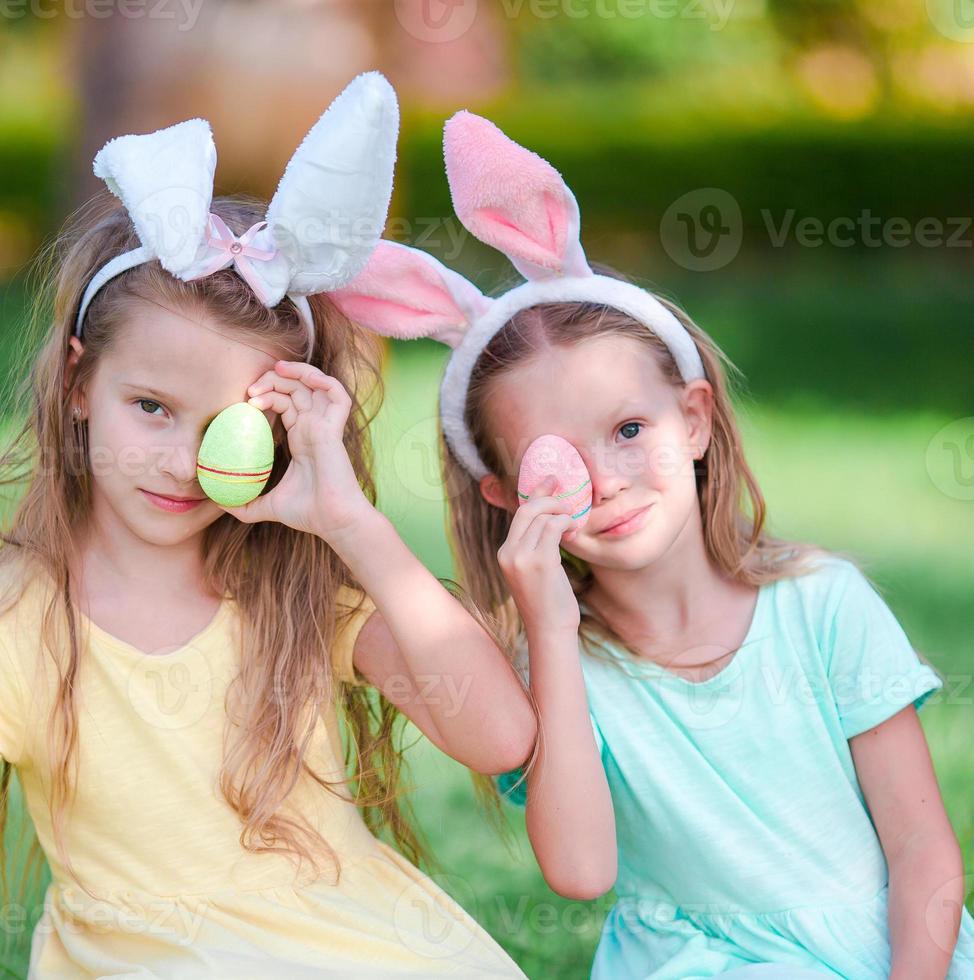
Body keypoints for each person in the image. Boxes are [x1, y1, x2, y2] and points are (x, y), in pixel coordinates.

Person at [0, 74, 535, 978]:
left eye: (230, 426)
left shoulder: (301, 589)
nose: (181, 460)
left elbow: (499, 737)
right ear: (79, 383)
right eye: (151, 407)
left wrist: (354, 527)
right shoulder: (7, 630)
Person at [330, 109, 974, 978]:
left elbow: (925, 858)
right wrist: (549, 628)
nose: (607, 478)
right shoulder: (550, 667)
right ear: (505, 495)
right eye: (558, 461)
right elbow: (581, 871)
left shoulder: (822, 606)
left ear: (696, 418)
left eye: (629, 428)